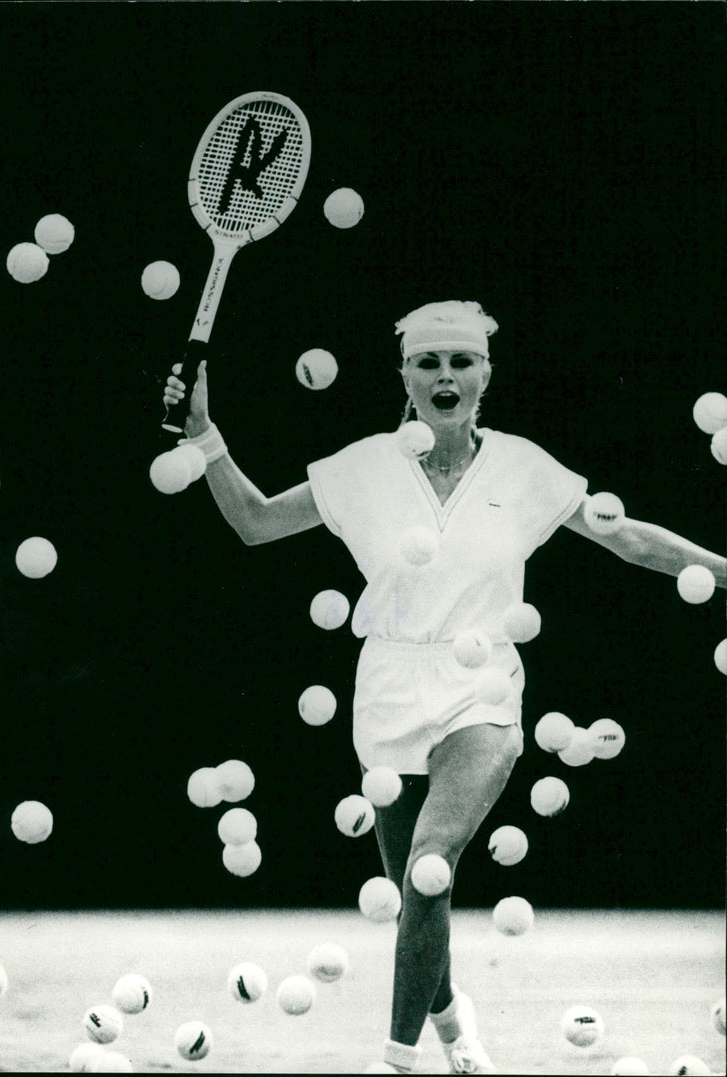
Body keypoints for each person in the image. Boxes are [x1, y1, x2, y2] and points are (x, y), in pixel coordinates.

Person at [162, 300, 726, 1075]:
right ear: (405, 374)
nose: (445, 375)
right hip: (389, 686)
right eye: (428, 363)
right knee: (414, 896)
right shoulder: (363, 467)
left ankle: (395, 1062)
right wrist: (203, 433)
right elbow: (256, 522)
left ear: (486, 373)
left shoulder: (526, 467)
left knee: (432, 857)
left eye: (461, 361)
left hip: (483, 685)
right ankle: (458, 1033)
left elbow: (624, 537)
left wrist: (724, 571)